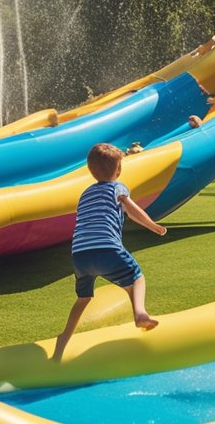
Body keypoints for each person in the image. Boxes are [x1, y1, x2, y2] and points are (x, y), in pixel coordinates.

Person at [51, 143, 168, 361]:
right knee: (137, 277)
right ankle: (140, 314)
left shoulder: (85, 193)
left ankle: (63, 340)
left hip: (80, 255)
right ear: (118, 170)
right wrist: (154, 226)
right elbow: (133, 212)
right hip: (107, 247)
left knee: (83, 298)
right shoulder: (118, 188)